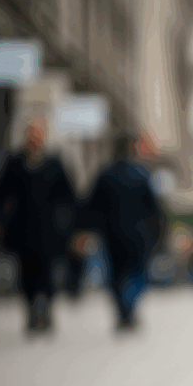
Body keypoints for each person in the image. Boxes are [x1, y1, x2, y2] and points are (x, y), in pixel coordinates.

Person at [0, 120, 79, 331]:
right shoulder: (15, 163)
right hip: (23, 229)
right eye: (31, 134)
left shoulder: (55, 163)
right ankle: (32, 309)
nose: (34, 139)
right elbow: (0, 194)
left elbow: (68, 197)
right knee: (27, 273)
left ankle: (45, 308)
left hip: (49, 230)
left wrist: (71, 225)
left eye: (37, 134)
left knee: (47, 272)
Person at [80, 133, 165, 329]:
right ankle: (129, 307)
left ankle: (123, 309)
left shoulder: (105, 174)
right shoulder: (141, 175)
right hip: (138, 236)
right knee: (136, 273)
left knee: (116, 276)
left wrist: (87, 229)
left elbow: (91, 206)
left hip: (111, 235)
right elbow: (153, 209)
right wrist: (157, 233)